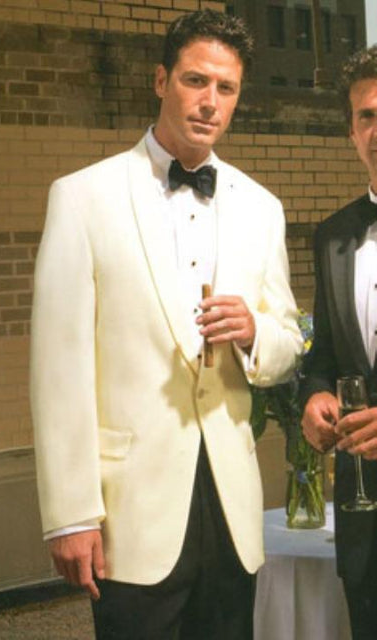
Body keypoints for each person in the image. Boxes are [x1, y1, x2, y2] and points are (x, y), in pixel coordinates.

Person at [30, 9, 302, 640]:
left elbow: (290, 342)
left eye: (226, 88)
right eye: (195, 80)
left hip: (231, 509)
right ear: (161, 81)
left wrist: (255, 333)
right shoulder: (82, 198)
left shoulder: (262, 208)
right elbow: (58, 371)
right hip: (131, 513)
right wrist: (70, 514)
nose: (210, 102)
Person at [300, 45, 377, 640]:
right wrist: (314, 395)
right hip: (364, 515)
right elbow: (324, 353)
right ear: (351, 131)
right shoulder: (332, 237)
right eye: (367, 116)